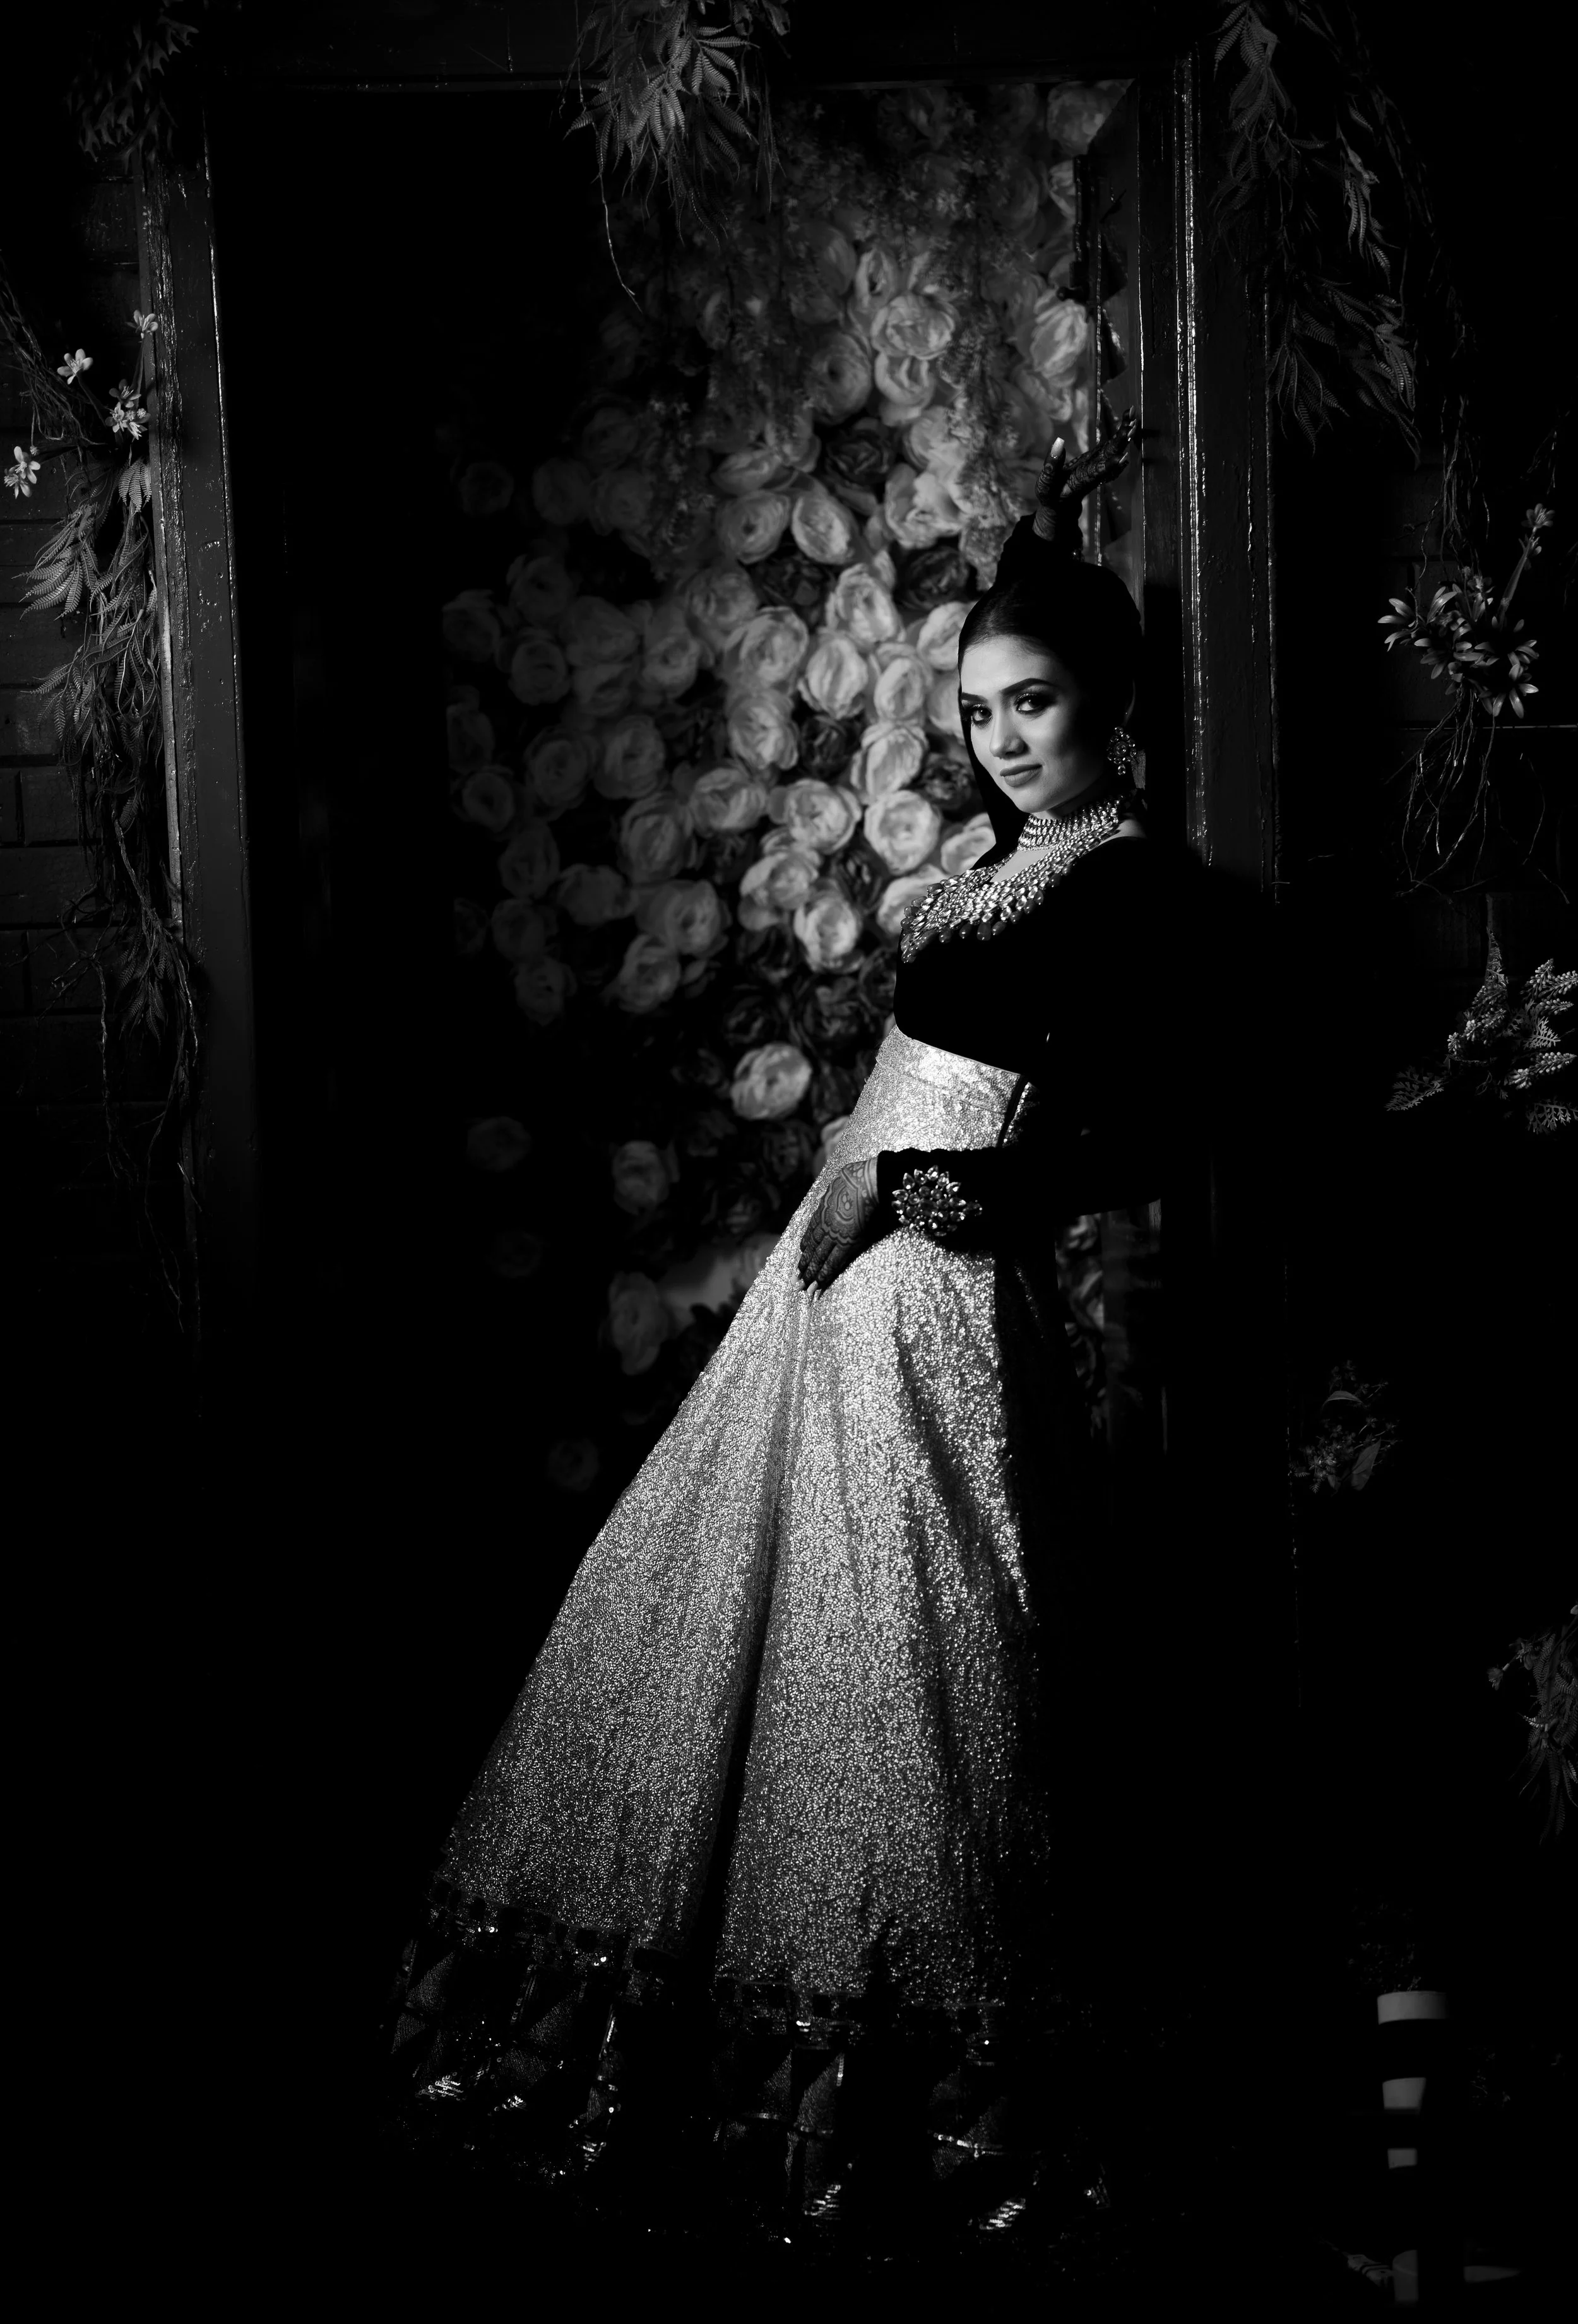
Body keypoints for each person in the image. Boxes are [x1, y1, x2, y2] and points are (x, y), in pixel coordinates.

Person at [386, 414, 1201, 2239]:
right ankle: (715, 2034)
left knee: (915, 1640)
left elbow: (1138, 1125)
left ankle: (933, 2078)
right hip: (835, 1282)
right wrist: (846, 1194)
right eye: (979, 710)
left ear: (1111, 703)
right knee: (745, 1612)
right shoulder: (992, 874)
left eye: (1036, 705)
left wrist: (914, 1195)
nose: (1000, 738)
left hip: (934, 1295)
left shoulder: (1125, 884)